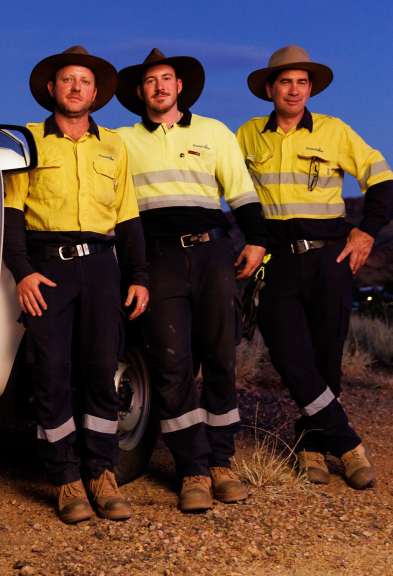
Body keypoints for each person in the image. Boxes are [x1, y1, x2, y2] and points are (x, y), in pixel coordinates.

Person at [236, 45, 393, 490]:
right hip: (276, 262)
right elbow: (227, 189)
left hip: (329, 258)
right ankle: (348, 444)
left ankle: (310, 447)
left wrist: (367, 231)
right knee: (290, 356)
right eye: (285, 81)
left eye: (301, 82)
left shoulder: (334, 131)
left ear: (310, 89)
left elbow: (381, 178)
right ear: (270, 89)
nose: (293, 90)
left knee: (326, 357)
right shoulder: (247, 135)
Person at [115, 49, 268, 512]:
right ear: (140, 91)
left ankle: (222, 462)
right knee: (171, 364)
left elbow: (241, 193)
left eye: (167, 79)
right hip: (155, 259)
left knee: (220, 356)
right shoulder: (120, 140)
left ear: (180, 86)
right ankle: (193, 470)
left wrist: (257, 241)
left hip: (212, 253)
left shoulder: (213, 132)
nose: (159, 87)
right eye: (150, 81)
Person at [3, 46, 149, 524]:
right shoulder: (28, 142)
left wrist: (139, 276)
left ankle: (101, 474)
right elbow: (11, 213)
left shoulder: (114, 146)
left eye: (84, 82)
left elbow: (127, 217)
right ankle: (65, 478)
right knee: (50, 374)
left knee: (102, 370)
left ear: (96, 92)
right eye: (67, 80)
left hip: (103, 268)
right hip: (49, 269)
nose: (75, 89)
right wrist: (22, 271)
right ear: (52, 88)